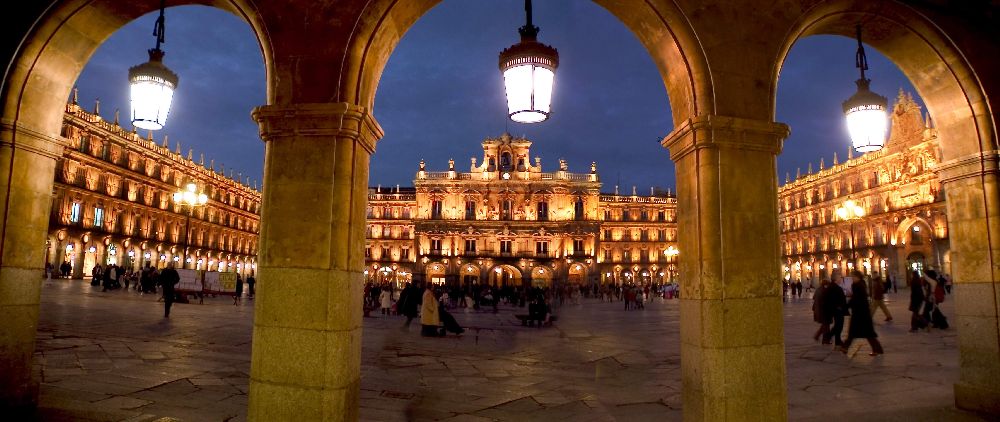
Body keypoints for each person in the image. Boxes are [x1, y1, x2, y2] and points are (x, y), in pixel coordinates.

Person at [840, 271, 884, 356]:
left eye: (853, 277)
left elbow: (855, 299)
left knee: (860, 332)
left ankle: (845, 347)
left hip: (860, 313)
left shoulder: (858, 286)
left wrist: (846, 306)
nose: (852, 278)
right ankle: (877, 349)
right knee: (865, 332)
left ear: (858, 277)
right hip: (862, 312)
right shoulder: (860, 285)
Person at [823, 275, 848, 346]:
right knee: (839, 325)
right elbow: (832, 299)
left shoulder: (833, 287)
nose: (841, 279)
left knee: (838, 325)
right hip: (837, 310)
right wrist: (838, 307)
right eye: (840, 277)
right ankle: (829, 336)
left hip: (836, 310)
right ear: (836, 279)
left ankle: (837, 340)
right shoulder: (834, 287)